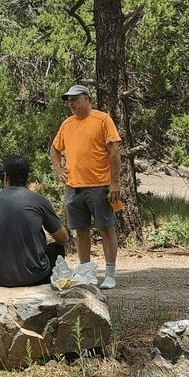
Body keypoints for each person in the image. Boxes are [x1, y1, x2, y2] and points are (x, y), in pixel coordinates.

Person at [49, 84, 122, 289]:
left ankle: (109, 275)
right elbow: (54, 150)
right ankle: (86, 274)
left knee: (106, 228)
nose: (71, 104)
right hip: (73, 188)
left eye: (75, 99)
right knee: (81, 231)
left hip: (100, 185)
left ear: (87, 99)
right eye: (69, 100)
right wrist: (58, 169)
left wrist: (114, 183)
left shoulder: (102, 119)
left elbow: (114, 151)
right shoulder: (67, 124)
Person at [0, 155, 69, 287]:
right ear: (28, 179)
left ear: (6, 177)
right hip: (36, 277)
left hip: (0, 278)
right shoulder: (38, 200)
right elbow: (63, 238)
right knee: (57, 248)